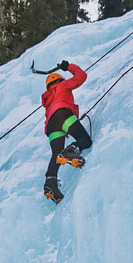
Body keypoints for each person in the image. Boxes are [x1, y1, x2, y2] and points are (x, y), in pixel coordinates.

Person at [41, 60, 92, 203]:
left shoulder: (47, 99)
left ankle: (50, 182)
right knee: (85, 140)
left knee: (56, 154)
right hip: (63, 114)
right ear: (60, 80)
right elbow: (81, 76)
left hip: (51, 126)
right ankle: (72, 150)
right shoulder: (63, 85)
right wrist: (68, 67)